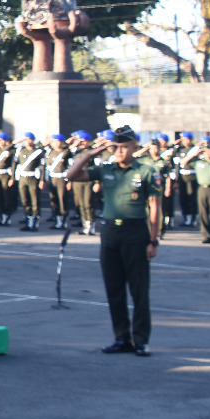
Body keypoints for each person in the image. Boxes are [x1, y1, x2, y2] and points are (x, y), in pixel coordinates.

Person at [62, 126, 159, 356]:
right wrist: (91, 154)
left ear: (135, 148)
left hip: (136, 233)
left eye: (125, 147)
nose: (120, 151)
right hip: (110, 234)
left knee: (139, 290)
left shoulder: (145, 172)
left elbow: (155, 207)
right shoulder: (105, 169)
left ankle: (141, 340)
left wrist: (153, 241)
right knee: (114, 289)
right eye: (117, 147)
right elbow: (72, 175)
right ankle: (121, 338)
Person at [15, 133, 46, 231]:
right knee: (25, 200)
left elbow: (42, 167)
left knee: (34, 201)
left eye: (30, 139)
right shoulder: (21, 150)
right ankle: (28, 220)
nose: (28, 142)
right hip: (23, 178)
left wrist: (42, 180)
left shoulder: (38, 152)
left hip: (33, 178)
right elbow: (15, 163)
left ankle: (34, 223)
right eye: (26, 139)